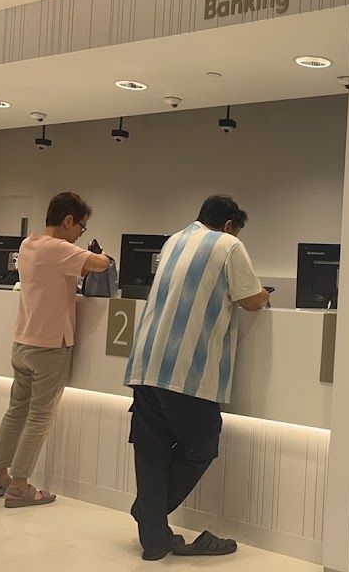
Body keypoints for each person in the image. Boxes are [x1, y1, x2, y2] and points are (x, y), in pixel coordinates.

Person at [123, 194, 270, 561]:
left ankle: (155, 539)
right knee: (203, 442)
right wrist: (264, 295)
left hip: (145, 362)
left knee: (152, 451)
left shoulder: (173, 240)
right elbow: (251, 301)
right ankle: (149, 513)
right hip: (186, 367)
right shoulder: (229, 245)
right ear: (230, 225)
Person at [0, 192, 111, 508]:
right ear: (68, 220)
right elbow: (100, 264)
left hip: (22, 342)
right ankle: (19, 485)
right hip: (50, 346)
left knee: (16, 410)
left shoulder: (29, 244)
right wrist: (103, 254)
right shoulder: (59, 248)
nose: (80, 233)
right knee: (40, 416)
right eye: (80, 226)